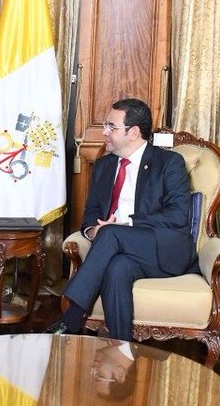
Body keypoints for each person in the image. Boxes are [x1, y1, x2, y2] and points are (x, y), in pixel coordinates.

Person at [46, 98, 196, 341]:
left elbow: (178, 214)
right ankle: (121, 348)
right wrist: (93, 232)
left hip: (162, 248)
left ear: (133, 132)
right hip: (118, 249)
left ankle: (73, 315)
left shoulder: (168, 162)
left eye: (111, 127)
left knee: (111, 233)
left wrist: (128, 224)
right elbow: (90, 215)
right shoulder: (104, 166)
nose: (104, 132)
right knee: (117, 268)